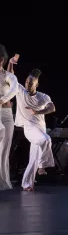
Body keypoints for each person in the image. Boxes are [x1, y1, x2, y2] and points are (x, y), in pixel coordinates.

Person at [7, 56, 55, 191]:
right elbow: (11, 77)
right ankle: (43, 165)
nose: (28, 84)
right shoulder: (21, 91)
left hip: (40, 128)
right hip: (29, 127)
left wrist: (38, 111)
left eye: (31, 83)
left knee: (33, 157)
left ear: (37, 85)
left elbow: (52, 107)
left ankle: (27, 184)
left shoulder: (43, 97)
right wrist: (10, 63)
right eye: (27, 82)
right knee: (46, 140)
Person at [0, 46, 18, 190]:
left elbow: (14, 88)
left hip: (6, 115)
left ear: (1, 60)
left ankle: (3, 183)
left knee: (5, 150)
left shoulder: (7, 76)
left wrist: (2, 99)